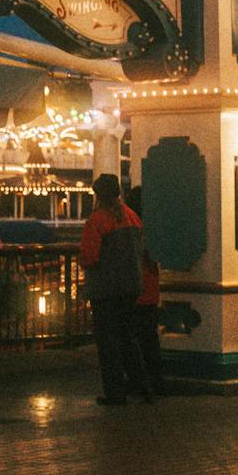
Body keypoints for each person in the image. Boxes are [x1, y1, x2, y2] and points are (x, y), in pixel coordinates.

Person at [80, 173, 148, 405]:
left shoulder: (97, 220)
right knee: (129, 338)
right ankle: (143, 388)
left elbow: (90, 256)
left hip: (106, 290)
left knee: (108, 342)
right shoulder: (132, 216)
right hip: (131, 287)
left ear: (99, 195)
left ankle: (115, 393)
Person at [124, 184, 165, 396]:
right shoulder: (153, 227)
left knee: (133, 338)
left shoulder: (131, 225)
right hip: (151, 287)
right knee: (149, 337)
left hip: (134, 288)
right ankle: (155, 380)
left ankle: (138, 382)